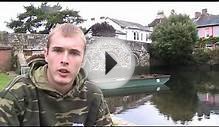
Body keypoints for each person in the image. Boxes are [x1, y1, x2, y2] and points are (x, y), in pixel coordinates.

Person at [0, 23, 113, 126]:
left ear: (83, 60)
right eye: (58, 50)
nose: (64, 60)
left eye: (74, 53)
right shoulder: (17, 93)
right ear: (46, 55)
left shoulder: (93, 95)